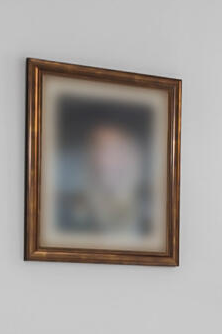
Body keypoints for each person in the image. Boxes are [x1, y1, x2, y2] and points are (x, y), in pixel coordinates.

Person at [57, 100, 153, 236]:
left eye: (114, 149)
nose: (103, 160)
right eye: (97, 148)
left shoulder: (152, 211)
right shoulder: (67, 212)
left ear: (133, 155)